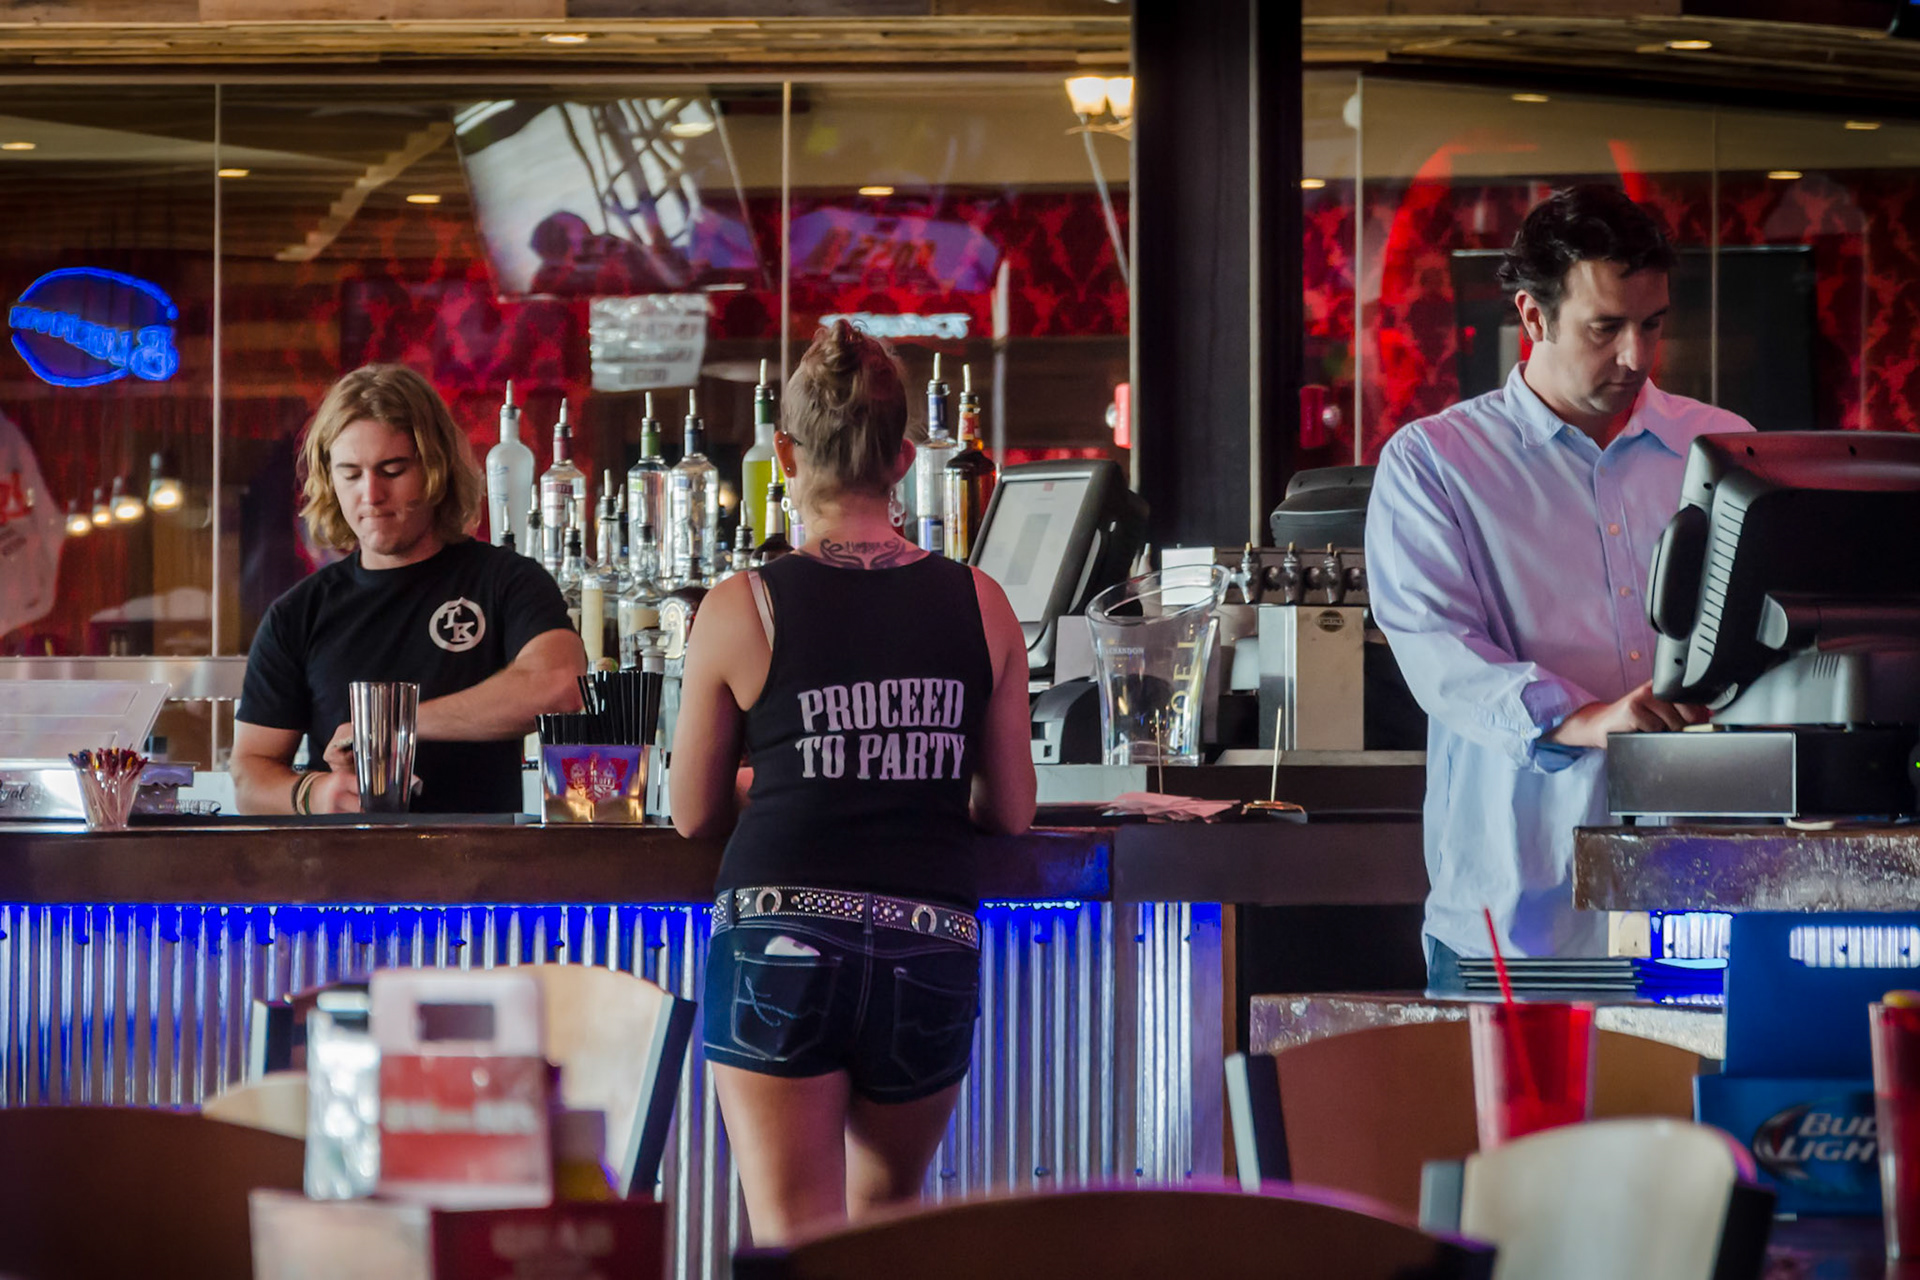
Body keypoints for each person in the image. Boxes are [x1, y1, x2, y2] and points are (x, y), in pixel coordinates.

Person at [670, 321, 1036, 1245]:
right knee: (883, 1248)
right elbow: (1012, 811)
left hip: (780, 939)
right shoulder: (980, 600)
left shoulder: (740, 604)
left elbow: (693, 813)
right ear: (907, 458)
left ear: (784, 451)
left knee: (795, 1244)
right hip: (930, 940)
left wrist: (788, 779)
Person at [1364, 184, 1754, 980]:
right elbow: (1443, 660)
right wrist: (1587, 719)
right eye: (1605, 328)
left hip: (1703, 911)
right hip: (1517, 921)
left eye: (1651, 325)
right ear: (1533, 319)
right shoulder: (1434, 462)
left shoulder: (1726, 447)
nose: (1636, 358)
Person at [232, 364, 585, 815]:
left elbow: (561, 685)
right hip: (343, 877)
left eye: (392, 470)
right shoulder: (298, 614)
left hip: (483, 875)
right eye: (351, 474)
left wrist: (392, 726)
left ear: (434, 467)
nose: (371, 494)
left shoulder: (505, 581)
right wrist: (314, 793)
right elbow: (249, 774)